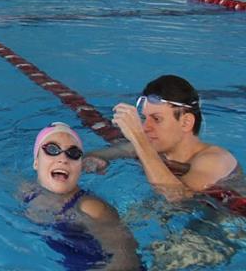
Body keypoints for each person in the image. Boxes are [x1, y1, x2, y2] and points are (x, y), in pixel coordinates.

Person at [84, 75, 240, 201]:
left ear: (186, 122)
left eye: (156, 119)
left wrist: (138, 138)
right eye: (144, 118)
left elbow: (179, 198)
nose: (145, 127)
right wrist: (94, 161)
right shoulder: (155, 148)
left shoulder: (216, 159)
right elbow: (94, 155)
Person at [23, 122, 141, 271]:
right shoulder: (27, 192)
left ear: (79, 168)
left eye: (73, 153)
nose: (63, 159)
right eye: (52, 149)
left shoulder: (90, 208)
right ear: (36, 162)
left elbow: (126, 259)